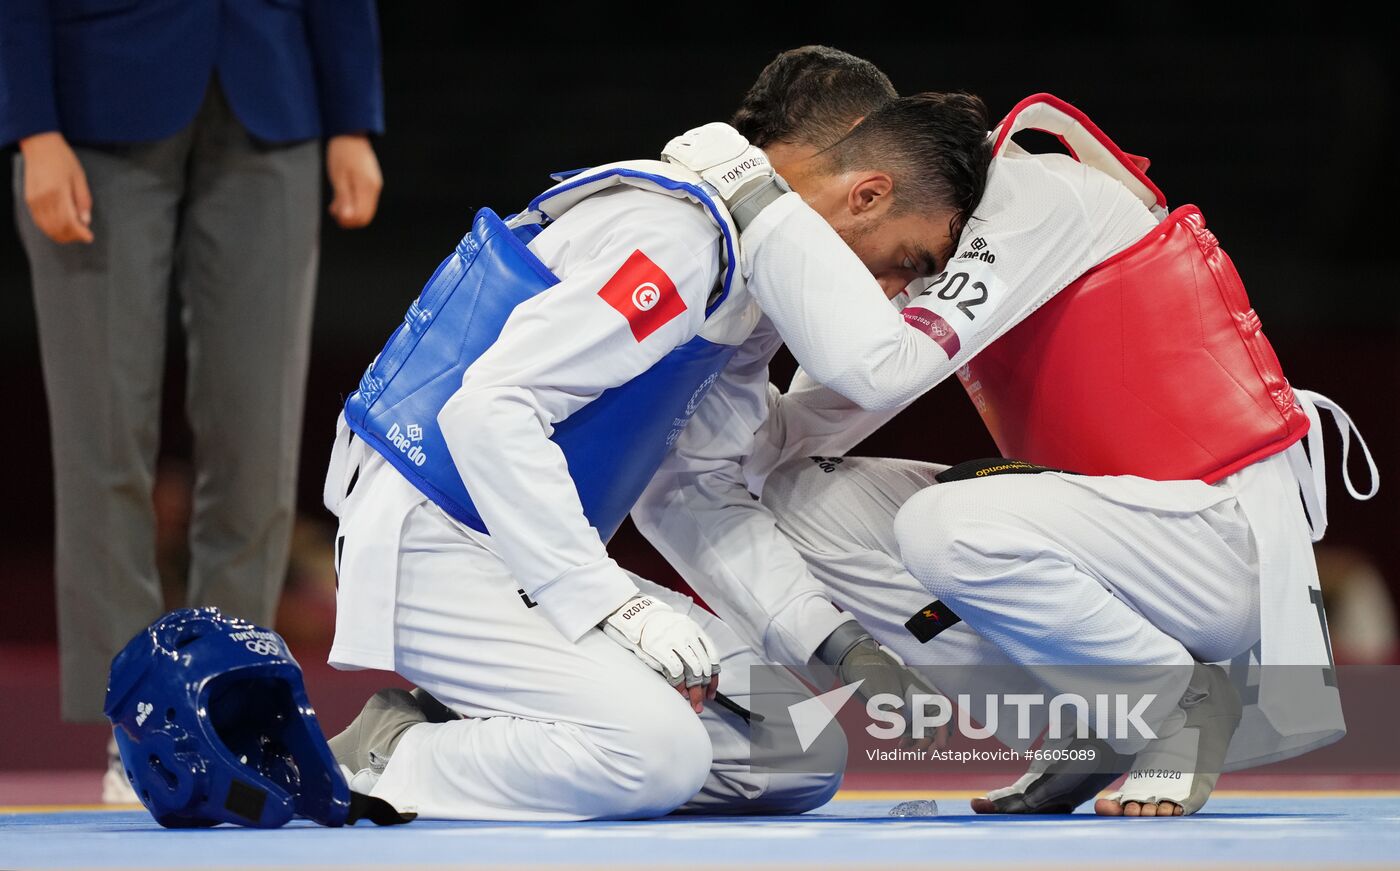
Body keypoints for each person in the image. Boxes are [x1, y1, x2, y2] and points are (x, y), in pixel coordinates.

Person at [632, 46, 1378, 818]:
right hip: (1119, 540)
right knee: (797, 501)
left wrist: (753, 199)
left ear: (870, 175)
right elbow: (782, 442)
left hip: (1213, 542)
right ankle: (1084, 723)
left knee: (946, 526)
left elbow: (876, 372)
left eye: (795, 201)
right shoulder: (931, 241)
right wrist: (694, 381)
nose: (874, 281)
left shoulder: (1032, 199)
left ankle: (1176, 701)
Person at [323, 92, 992, 821]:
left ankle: (494, 719)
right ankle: (393, 750)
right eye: (905, 263)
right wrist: (612, 603)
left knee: (798, 754)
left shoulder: (746, 283)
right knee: (652, 754)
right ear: (868, 195)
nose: (892, 293)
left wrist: (836, 645)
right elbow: (488, 409)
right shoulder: (681, 238)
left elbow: (691, 488)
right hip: (437, 539)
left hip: (529, 559)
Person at [0, 0, 385, 802]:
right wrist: (33, 126)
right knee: (104, 441)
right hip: (95, 93)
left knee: (258, 444)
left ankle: (231, 707)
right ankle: (139, 727)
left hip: (271, 90)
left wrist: (351, 116)